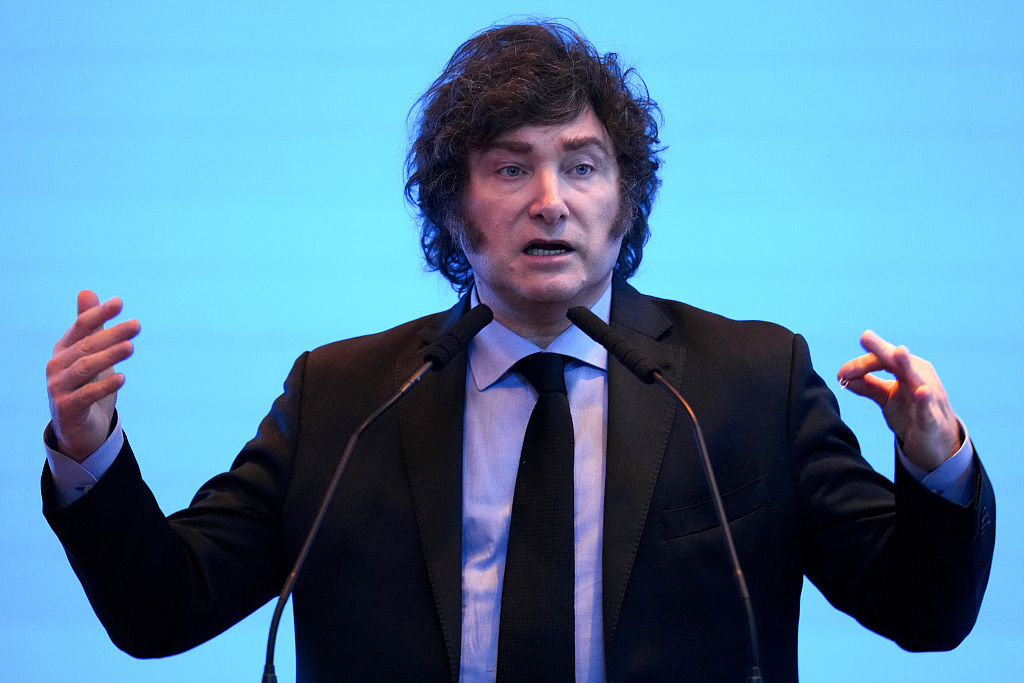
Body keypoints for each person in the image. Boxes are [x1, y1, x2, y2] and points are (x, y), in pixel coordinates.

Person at [42, 21, 994, 682]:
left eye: (582, 165)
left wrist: (935, 461)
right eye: (510, 167)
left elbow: (924, 613)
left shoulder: (750, 381)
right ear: (454, 208)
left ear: (625, 203)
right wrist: (88, 447)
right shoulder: (344, 396)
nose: (550, 200)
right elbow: (164, 609)